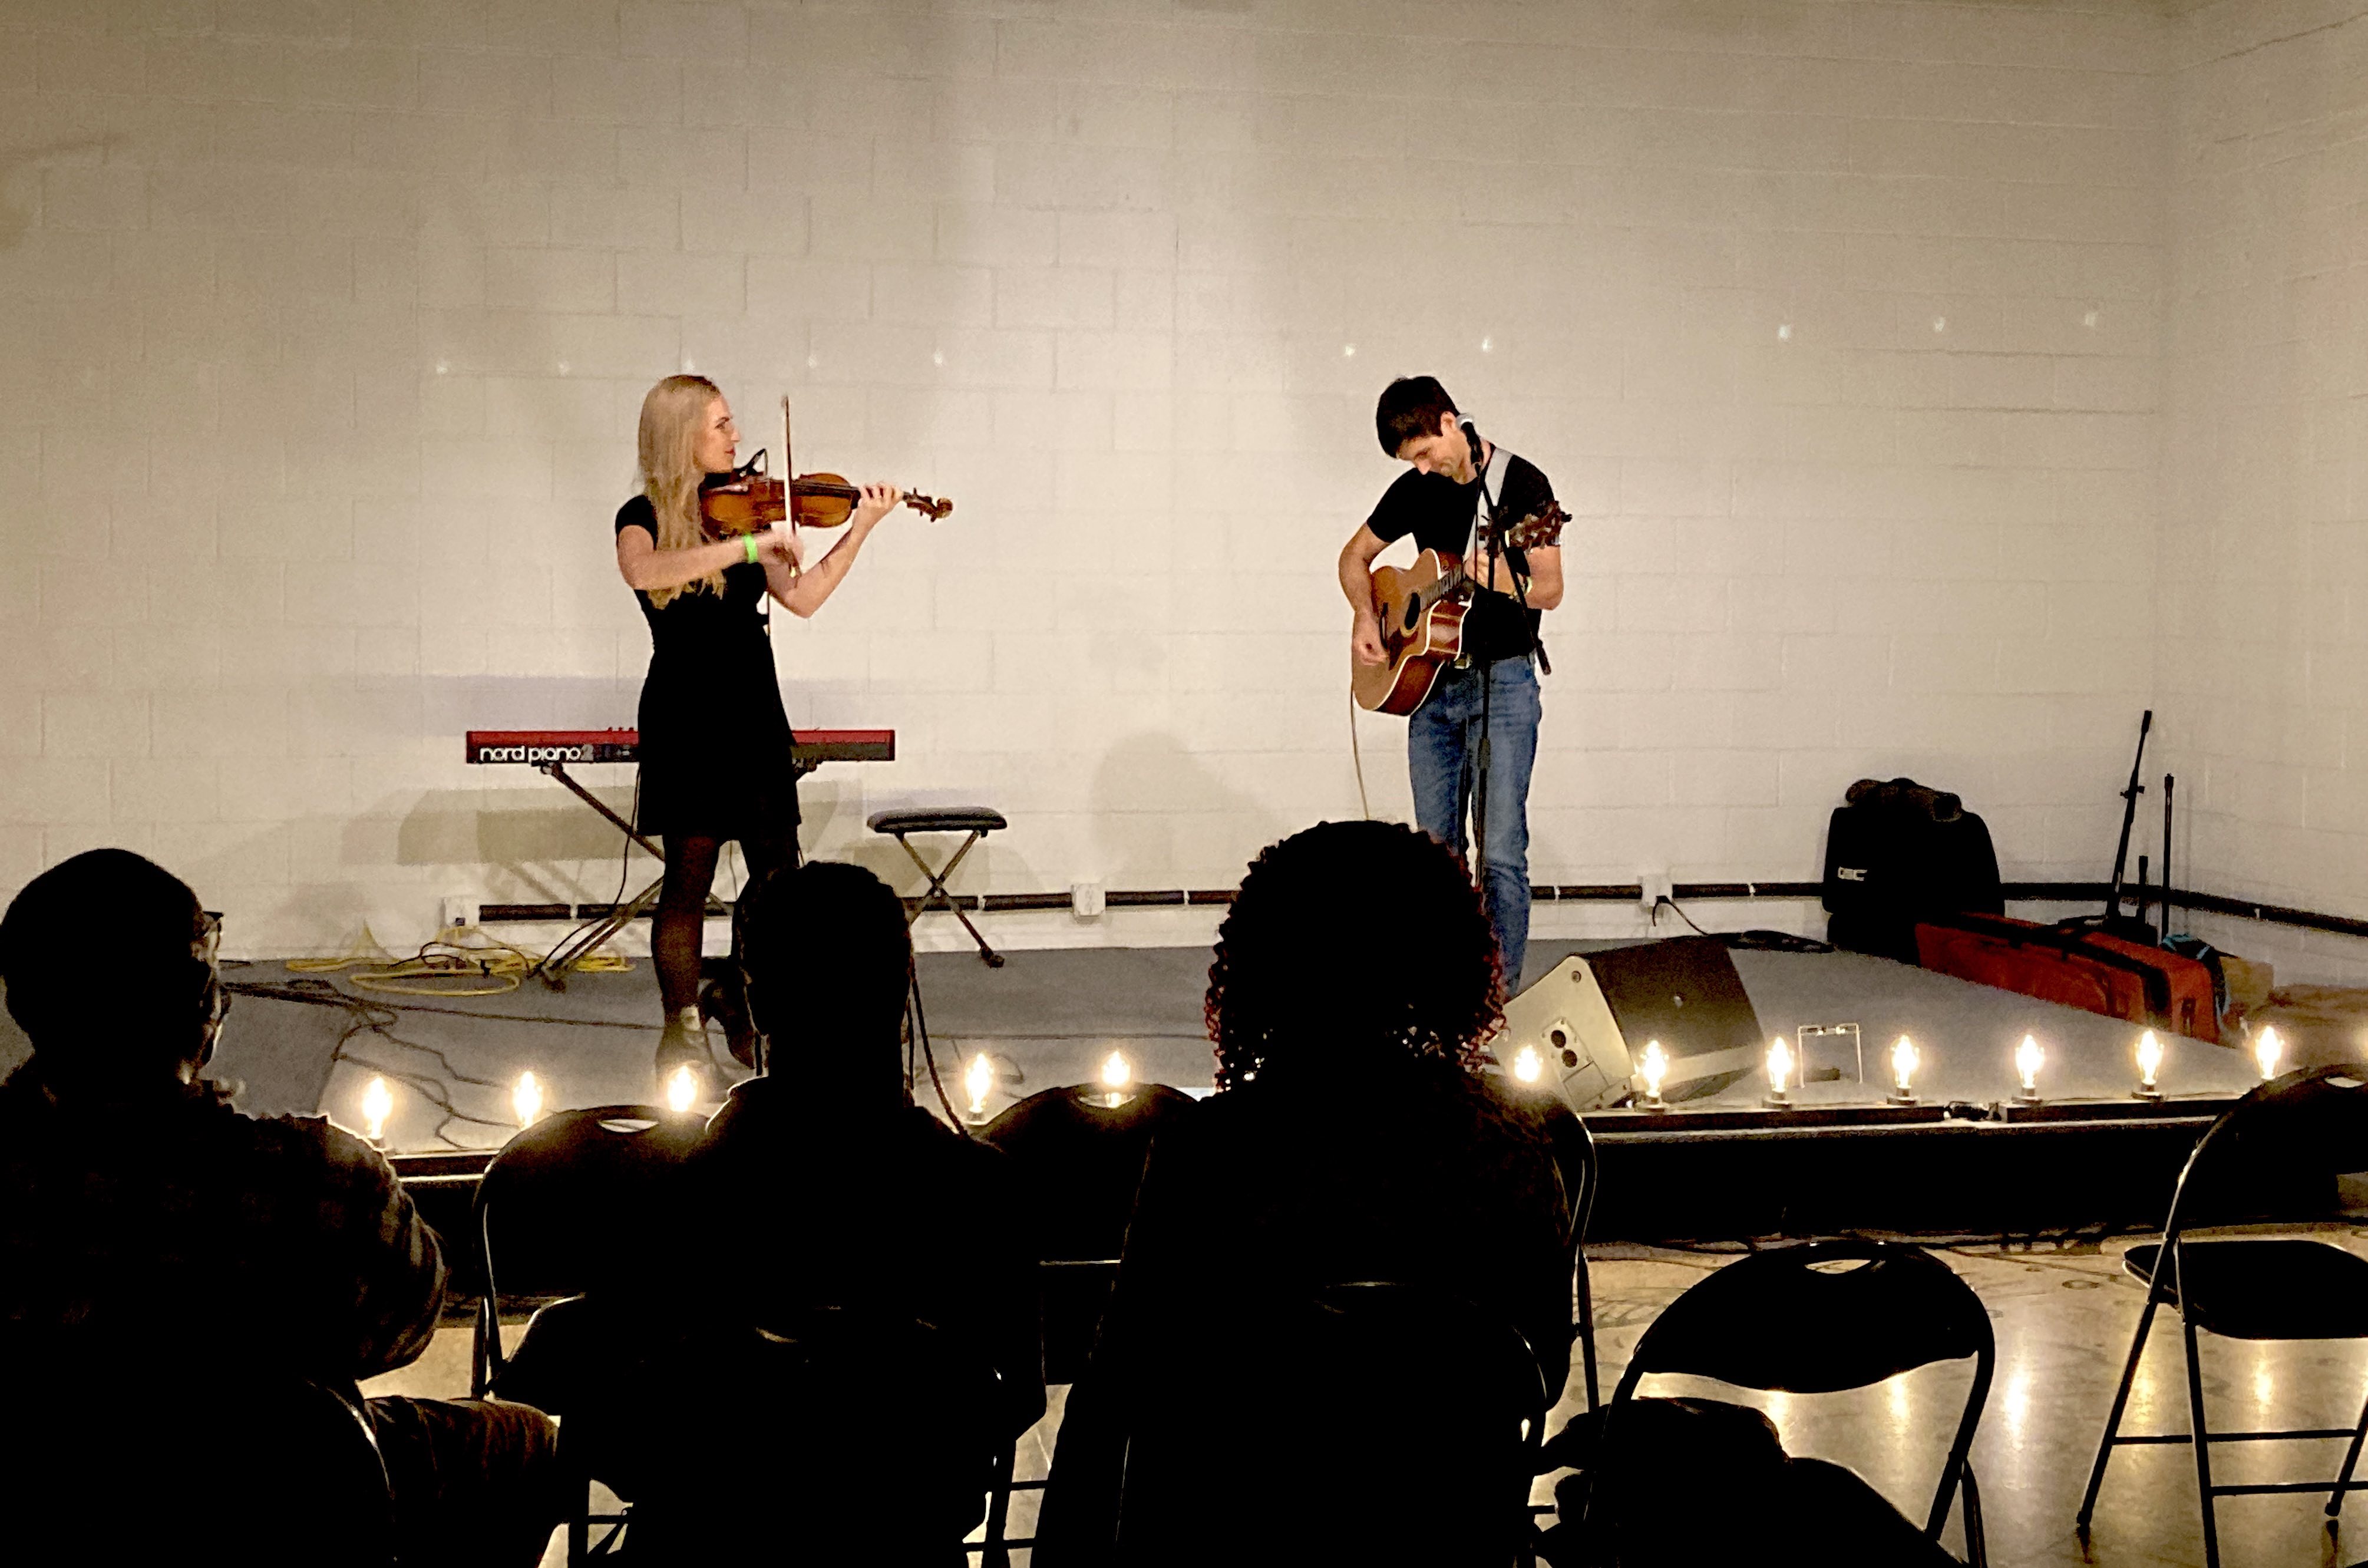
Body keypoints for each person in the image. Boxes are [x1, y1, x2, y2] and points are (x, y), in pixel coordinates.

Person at [0, 849, 564, 1566]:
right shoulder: (321, 1177)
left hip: (43, 1506)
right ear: (203, 1006)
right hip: (282, 1497)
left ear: (22, 1007)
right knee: (524, 1439)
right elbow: (400, 1335)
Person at [1035, 820, 1573, 1566]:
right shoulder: (1505, 1147)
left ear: (1265, 965)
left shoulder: (1209, 1149)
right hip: (1441, 1542)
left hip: (1238, 1541)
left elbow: (1116, 1386)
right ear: (1442, 959)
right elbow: (1539, 1374)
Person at [617, 860, 1043, 1564]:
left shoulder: (681, 1188)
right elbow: (1018, 1397)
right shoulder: (981, 1189)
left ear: (755, 1004)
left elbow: (622, 1425)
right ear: (903, 991)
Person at [616, 374, 901, 1090]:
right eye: (721, 425)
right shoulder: (642, 515)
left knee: (779, 875)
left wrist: (860, 528)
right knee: (688, 875)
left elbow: (803, 596)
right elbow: (644, 572)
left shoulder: (747, 517)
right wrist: (745, 548)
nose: (735, 437)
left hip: (751, 708)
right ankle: (681, 1026)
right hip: (684, 711)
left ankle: (747, 1002)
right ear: (681, 434)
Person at [1338, 375, 1566, 990]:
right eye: (1409, 462)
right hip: (1431, 686)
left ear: (1447, 423)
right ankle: (1446, 993)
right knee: (1435, 855)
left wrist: (1493, 575)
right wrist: (1366, 614)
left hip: (1503, 685)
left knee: (1500, 853)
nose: (1421, 468)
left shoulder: (1521, 486)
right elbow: (1353, 557)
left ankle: (1499, 1000)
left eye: (1423, 452)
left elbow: (1548, 589)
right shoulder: (1417, 489)